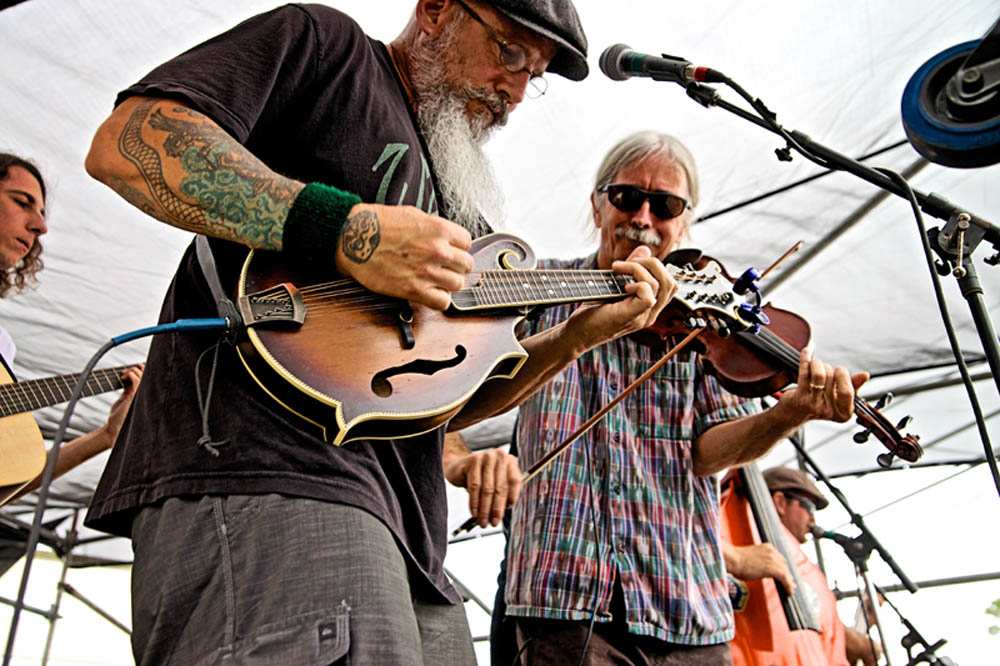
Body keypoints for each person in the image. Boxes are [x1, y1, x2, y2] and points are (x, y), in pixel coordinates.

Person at [82, 3, 677, 664]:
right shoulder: (328, 49)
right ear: (436, 10)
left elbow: (444, 400)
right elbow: (132, 143)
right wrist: (343, 230)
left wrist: (574, 339)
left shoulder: (462, 204)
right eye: (510, 53)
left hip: (413, 538)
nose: (513, 92)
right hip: (265, 472)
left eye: (532, 76)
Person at [496, 130, 870, 665]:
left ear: (683, 221)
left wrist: (789, 411)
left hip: (687, 600)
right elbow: (460, 374)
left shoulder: (703, 324)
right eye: (627, 197)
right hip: (566, 594)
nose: (644, 217)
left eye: (665, 205)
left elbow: (708, 451)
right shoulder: (542, 288)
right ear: (598, 205)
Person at [0, 153, 142, 500]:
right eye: (22, 202)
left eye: (43, 213)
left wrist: (106, 435)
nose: (40, 226)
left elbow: (11, 481)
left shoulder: (3, 346)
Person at [762, 466, 882, 666]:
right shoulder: (768, 556)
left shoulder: (798, 562)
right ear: (780, 503)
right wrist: (857, 642)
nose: (813, 519)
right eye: (808, 506)